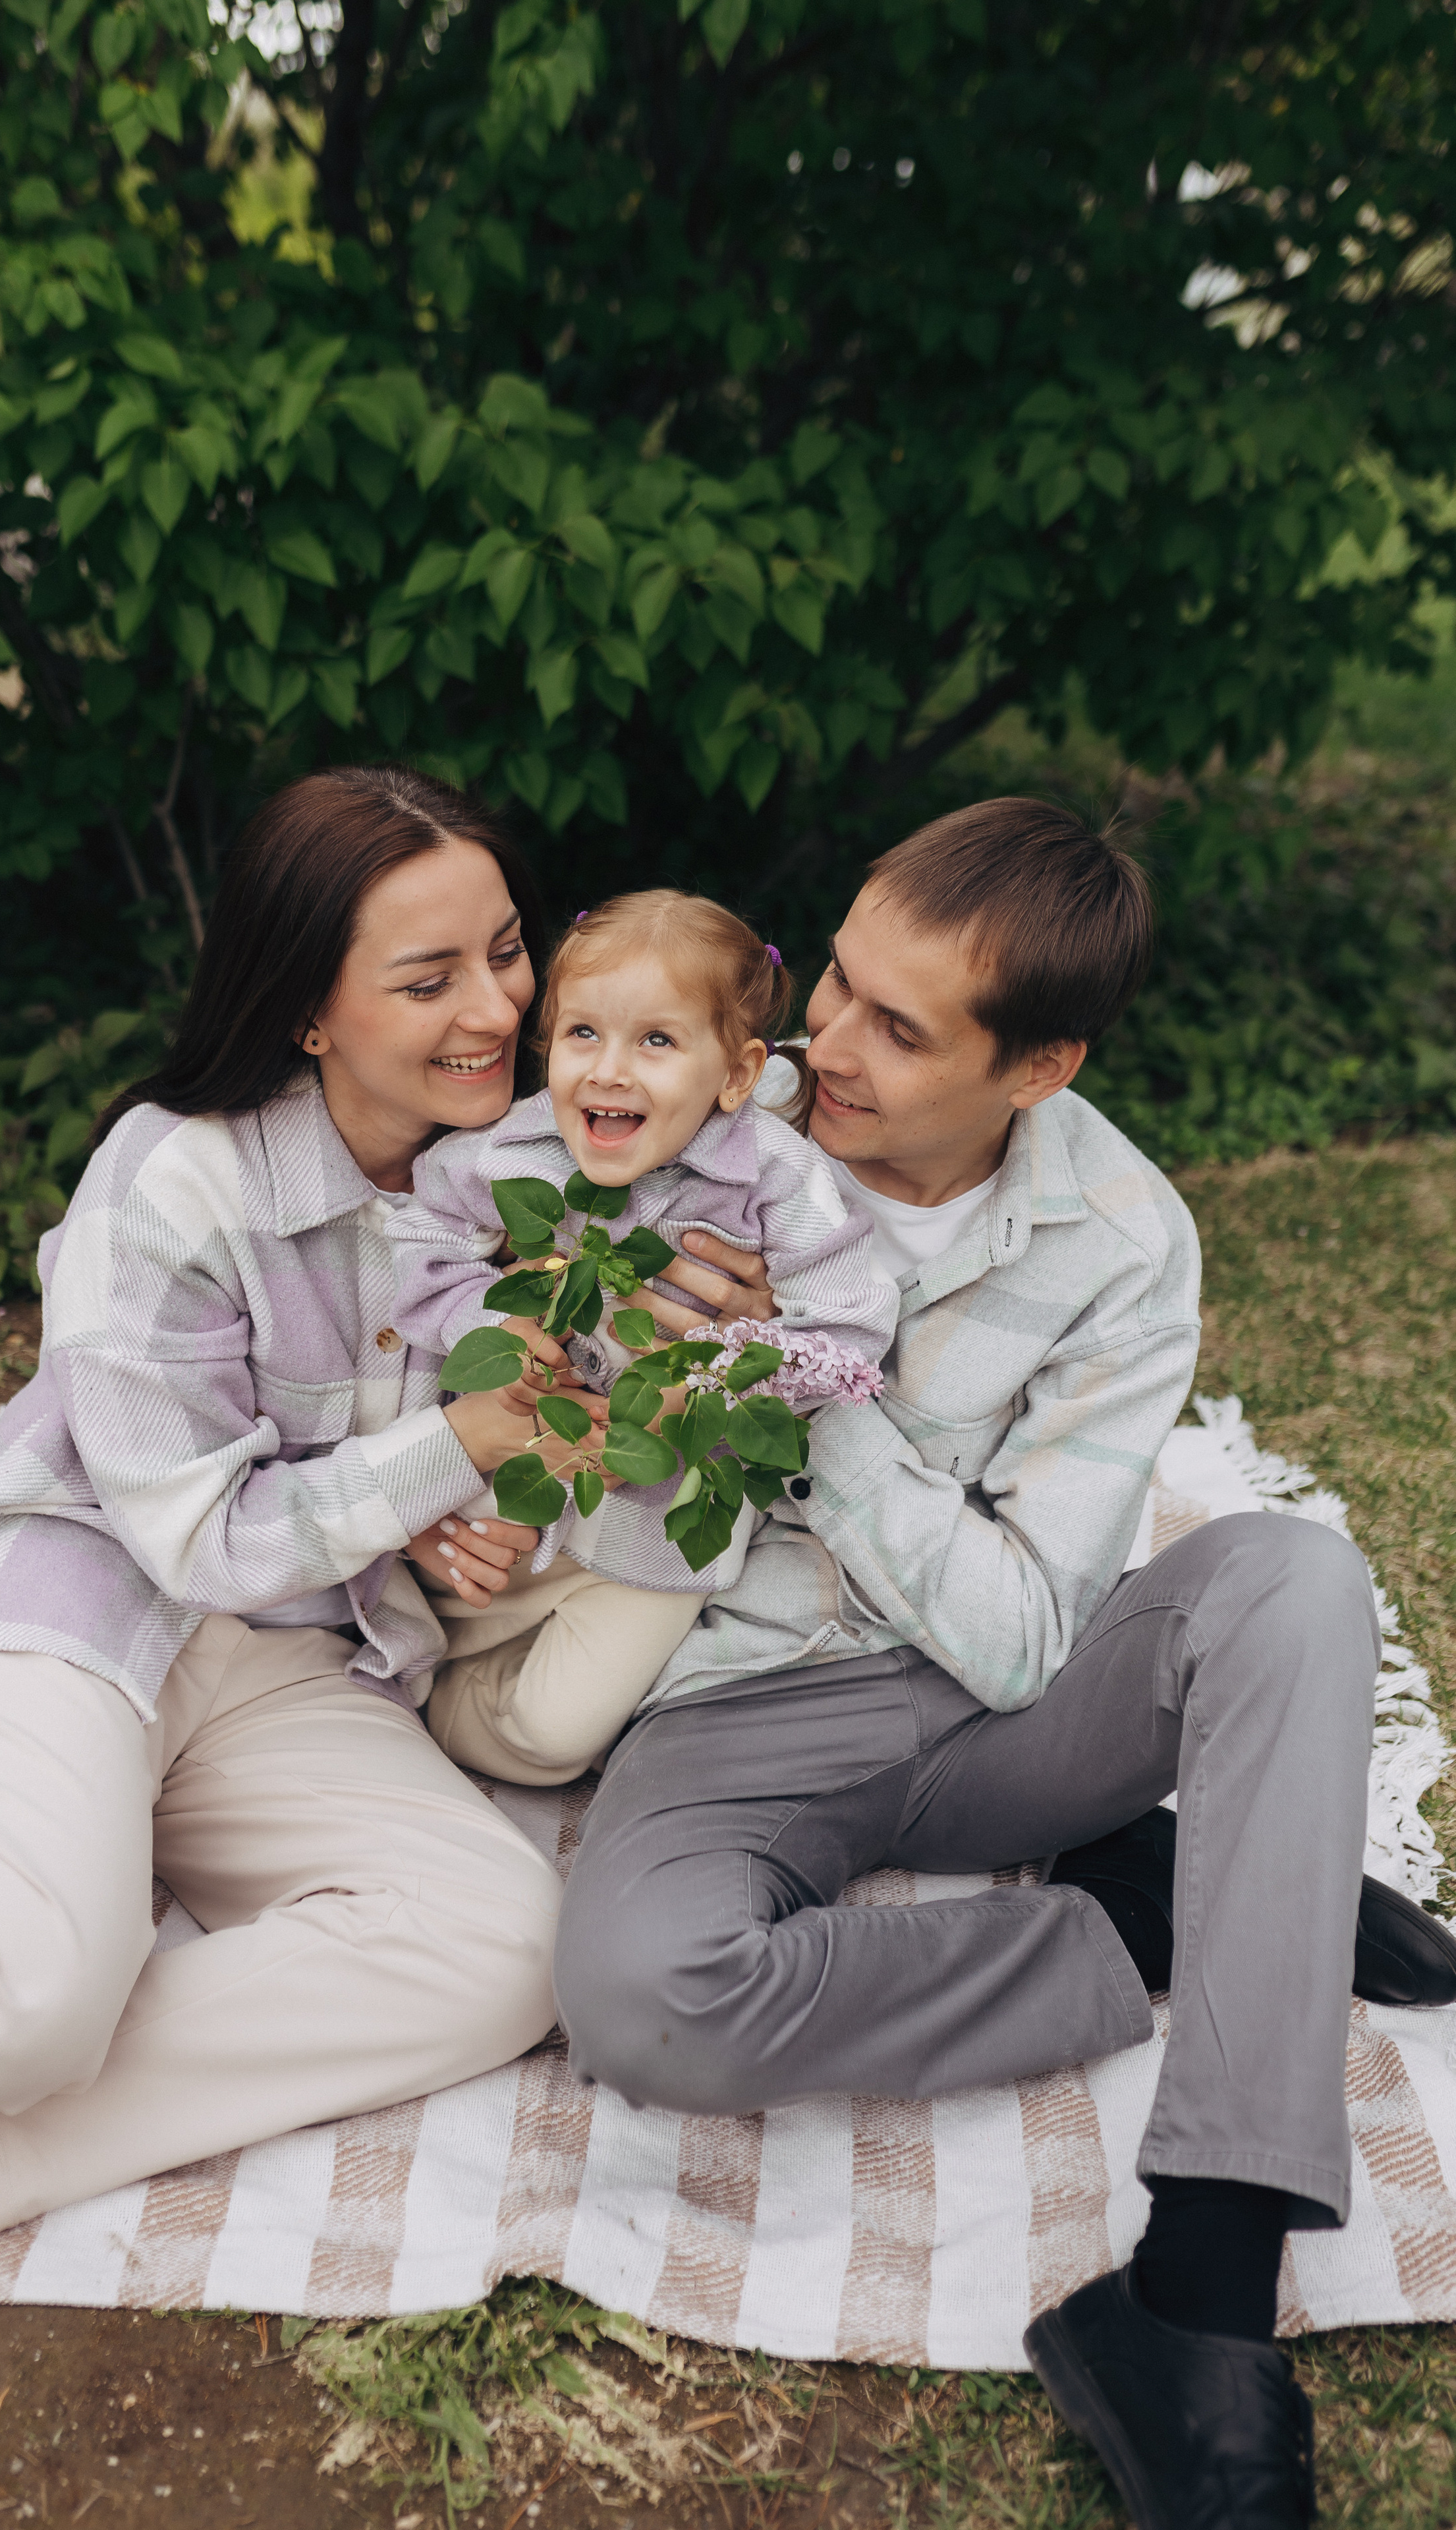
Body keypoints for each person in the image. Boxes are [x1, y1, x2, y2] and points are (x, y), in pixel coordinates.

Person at [551, 798, 1456, 2530]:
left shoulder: (1120, 1238)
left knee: (1296, 1585)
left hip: (1005, 1704)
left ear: (1037, 1068)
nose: (826, 1048)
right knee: (641, 2001)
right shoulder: (678, 1124)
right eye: (833, 989)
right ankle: (1145, 1912)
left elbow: (1028, 1629)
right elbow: (578, 1467)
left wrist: (810, 1392)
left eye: (902, 1030)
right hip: (725, 1703)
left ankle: (1194, 2298)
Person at [0, 766, 773, 2284]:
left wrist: (707, 1330)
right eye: (426, 979)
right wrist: (447, 1451)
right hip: (87, 1597)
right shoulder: (171, 1182)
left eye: (505, 954)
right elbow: (188, 1536)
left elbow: (558, 1405)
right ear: (308, 1009)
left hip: (306, 1655)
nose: (494, 1012)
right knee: (31, 1992)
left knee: (500, 1948)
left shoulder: (537, 1173)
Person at [386, 887, 897, 1785]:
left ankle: (462, 1724)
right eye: (584, 1034)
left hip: (659, 1523)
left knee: (554, 1739)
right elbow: (423, 1237)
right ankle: (389, 1687)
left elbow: (848, 1329)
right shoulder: (519, 1150)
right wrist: (498, 1319)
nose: (609, 1071)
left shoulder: (777, 1178)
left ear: (736, 1075)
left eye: (656, 1041)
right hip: (526, 1457)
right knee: (430, 1586)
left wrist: (710, 1384)